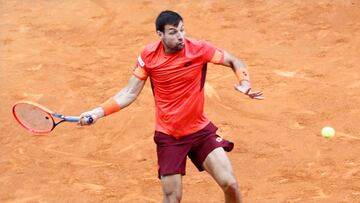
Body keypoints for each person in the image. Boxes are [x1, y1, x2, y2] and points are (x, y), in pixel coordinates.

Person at [79, 10, 263, 203]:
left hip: (200, 130)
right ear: (160, 35)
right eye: (173, 32)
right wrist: (97, 112)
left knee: (230, 183)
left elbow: (234, 60)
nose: (180, 36)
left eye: (182, 30)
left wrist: (244, 82)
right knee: (172, 197)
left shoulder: (199, 49)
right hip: (169, 136)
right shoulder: (149, 57)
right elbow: (129, 93)